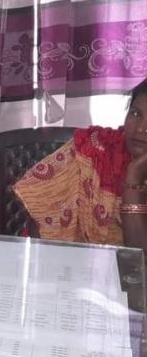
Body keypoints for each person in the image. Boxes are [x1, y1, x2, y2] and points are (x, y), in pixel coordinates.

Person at [13, 79, 147, 250]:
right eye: (135, 113)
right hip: (76, 261)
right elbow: (40, 207)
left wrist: (133, 178)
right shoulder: (95, 148)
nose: (141, 128)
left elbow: (141, 254)